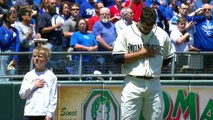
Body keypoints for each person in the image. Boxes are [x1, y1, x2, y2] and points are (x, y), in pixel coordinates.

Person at [112, 7, 175, 119]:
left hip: (154, 83)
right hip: (133, 82)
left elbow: (168, 57)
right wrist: (140, 54)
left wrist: (157, 68)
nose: (147, 30)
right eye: (145, 27)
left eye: (150, 27)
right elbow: (117, 58)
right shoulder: (126, 32)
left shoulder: (162, 34)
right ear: (139, 20)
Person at [19, 44, 58, 120]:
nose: (37, 58)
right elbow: (22, 95)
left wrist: (50, 114)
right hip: (29, 113)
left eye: (40, 56)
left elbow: (53, 97)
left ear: (46, 59)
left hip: (44, 114)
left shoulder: (51, 76)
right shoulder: (28, 75)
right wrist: (33, 85)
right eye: (34, 56)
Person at [0, 10, 20, 81]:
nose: (15, 19)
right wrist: (10, 34)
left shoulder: (16, 30)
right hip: (5, 54)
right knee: (3, 75)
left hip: (13, 54)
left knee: (11, 75)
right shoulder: (1, 30)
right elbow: (4, 43)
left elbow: (18, 43)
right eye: (13, 17)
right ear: (7, 18)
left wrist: (15, 57)